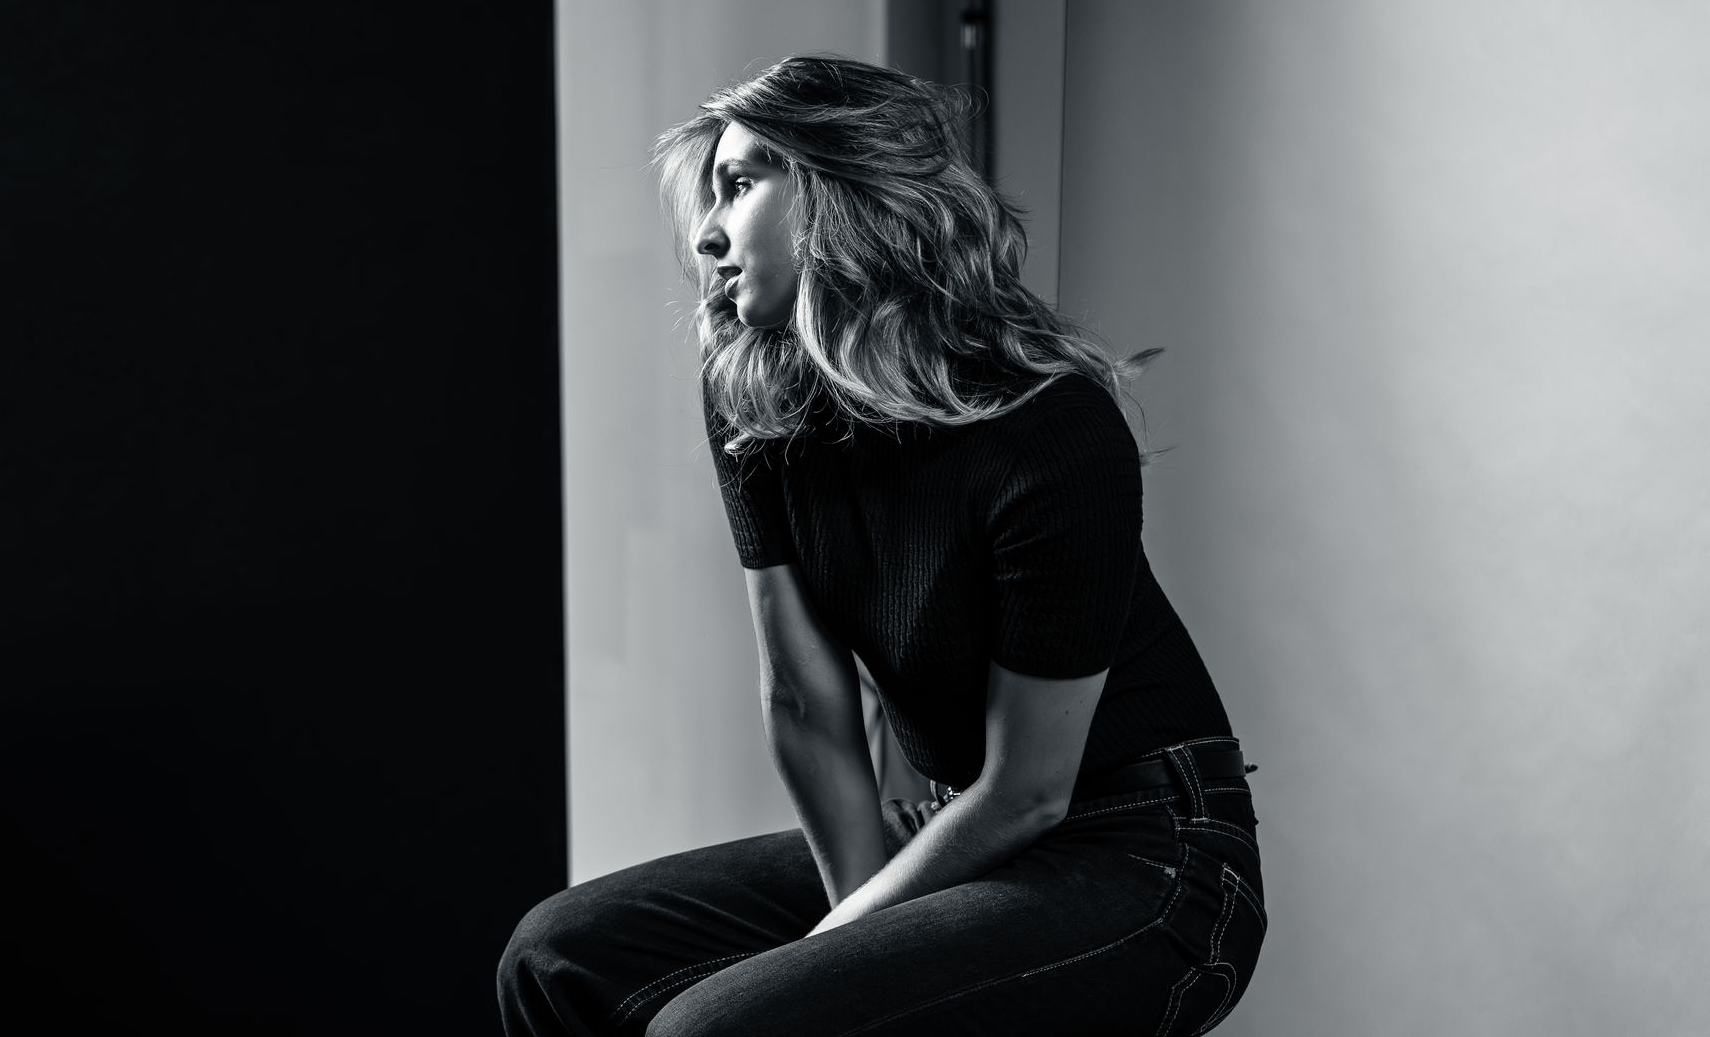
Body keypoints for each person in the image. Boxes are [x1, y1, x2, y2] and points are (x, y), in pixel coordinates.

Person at [499, 56, 1266, 1035]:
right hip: (965, 829)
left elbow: (1030, 790)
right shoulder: (755, 390)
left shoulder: (1049, 426)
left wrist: (833, 953)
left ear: (837, 191)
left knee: (714, 1028)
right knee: (555, 953)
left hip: (1148, 854)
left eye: (741, 183)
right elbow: (806, 703)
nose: (706, 233)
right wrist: (854, 947)